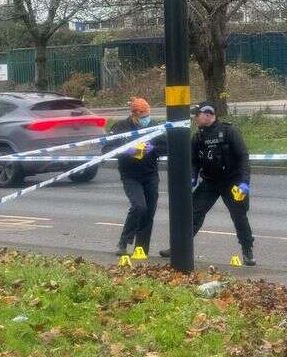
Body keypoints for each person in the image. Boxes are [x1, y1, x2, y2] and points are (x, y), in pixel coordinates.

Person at [160, 102, 256, 266]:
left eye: (197, 114)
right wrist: (192, 176)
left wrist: (244, 183)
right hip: (210, 182)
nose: (195, 118)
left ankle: (247, 250)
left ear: (208, 114)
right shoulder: (198, 136)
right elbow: (194, 161)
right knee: (193, 213)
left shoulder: (229, 131)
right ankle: (179, 248)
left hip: (232, 181)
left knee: (239, 216)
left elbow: (243, 158)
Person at [103, 98, 167, 256]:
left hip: (150, 173)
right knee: (139, 206)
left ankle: (141, 248)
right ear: (134, 115)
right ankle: (123, 242)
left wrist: (153, 149)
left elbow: (167, 146)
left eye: (147, 115)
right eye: (142, 116)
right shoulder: (121, 127)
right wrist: (127, 150)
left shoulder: (154, 127)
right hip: (130, 174)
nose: (146, 119)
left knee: (149, 211)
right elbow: (106, 149)